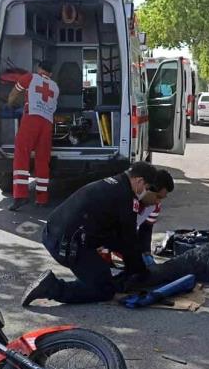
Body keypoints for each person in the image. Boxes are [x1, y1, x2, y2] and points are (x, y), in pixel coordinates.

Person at [21, 162, 159, 306]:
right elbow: (128, 241)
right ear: (140, 181)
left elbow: (115, 237)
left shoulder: (114, 183)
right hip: (66, 244)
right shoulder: (126, 198)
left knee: (103, 275)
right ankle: (51, 287)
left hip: (54, 233)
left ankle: (87, 281)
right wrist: (141, 272)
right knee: (103, 290)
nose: (146, 192)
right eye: (147, 188)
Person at [8, 60, 59, 211]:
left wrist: (9, 105)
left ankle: (20, 196)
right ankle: (42, 199)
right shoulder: (55, 87)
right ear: (50, 73)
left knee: (21, 154)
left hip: (31, 119)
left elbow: (14, 94)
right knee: (43, 159)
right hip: (47, 123)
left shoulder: (29, 77)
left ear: (39, 69)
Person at [102, 169, 175, 267]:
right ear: (147, 189)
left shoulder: (154, 206)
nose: (158, 202)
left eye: (161, 198)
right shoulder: (123, 198)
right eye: (157, 196)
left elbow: (146, 228)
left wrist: (146, 252)